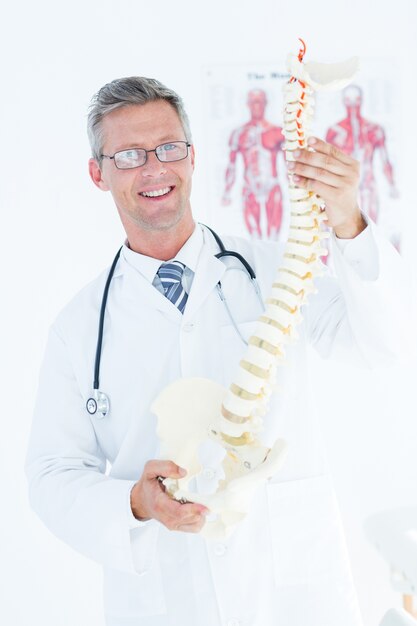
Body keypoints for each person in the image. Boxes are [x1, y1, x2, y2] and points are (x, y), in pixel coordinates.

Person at [26, 76, 408, 626]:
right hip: (165, 596)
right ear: (98, 173)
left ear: (192, 156)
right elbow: (52, 475)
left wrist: (348, 220)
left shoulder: (276, 271)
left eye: (168, 148)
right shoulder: (78, 328)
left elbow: (388, 343)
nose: (155, 168)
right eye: (129, 155)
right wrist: (135, 503)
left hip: (294, 594)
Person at [222, 88, 285, 240]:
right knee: (254, 238)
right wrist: (227, 192)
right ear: (248, 104)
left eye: (260, 102)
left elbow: (288, 163)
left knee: (274, 236)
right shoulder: (238, 133)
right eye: (253, 102)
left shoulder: (277, 132)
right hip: (249, 187)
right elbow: (231, 166)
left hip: (272, 185)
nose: (257, 106)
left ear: (266, 103)